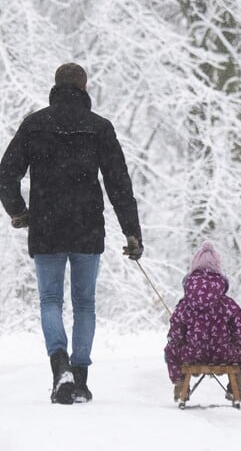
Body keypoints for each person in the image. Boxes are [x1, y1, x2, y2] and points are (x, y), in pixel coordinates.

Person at [0, 63, 143, 404]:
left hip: (47, 226)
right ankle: (79, 377)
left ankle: (59, 366)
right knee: (85, 303)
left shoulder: (35, 125)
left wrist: (19, 212)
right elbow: (118, 184)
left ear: (56, 86)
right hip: (86, 227)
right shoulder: (99, 128)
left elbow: (6, 174)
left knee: (51, 300)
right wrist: (132, 233)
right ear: (84, 88)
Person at [164, 241, 241, 403]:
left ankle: (180, 386)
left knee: (170, 350)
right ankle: (236, 387)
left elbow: (176, 334)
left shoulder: (185, 303)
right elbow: (240, 328)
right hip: (224, 353)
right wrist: (234, 340)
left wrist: (181, 341)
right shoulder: (227, 303)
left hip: (191, 353)